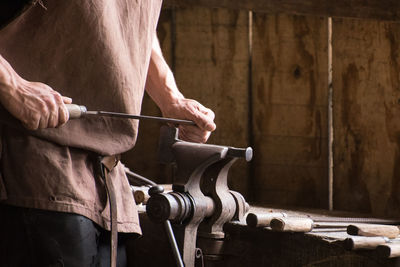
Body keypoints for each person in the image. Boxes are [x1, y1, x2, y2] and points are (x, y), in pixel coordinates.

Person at [0, 1, 216, 266]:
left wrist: (170, 98)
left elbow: (127, 27)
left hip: (108, 177)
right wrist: (11, 85)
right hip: (32, 163)